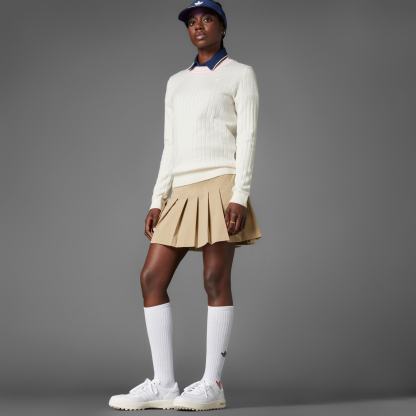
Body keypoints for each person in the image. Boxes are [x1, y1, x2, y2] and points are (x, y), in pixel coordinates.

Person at [108, 0, 262, 411]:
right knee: (151, 277)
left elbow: (248, 137)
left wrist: (239, 195)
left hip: (221, 184)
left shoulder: (241, 74)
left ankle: (212, 383)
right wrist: (157, 199)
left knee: (214, 279)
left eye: (207, 19)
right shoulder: (176, 82)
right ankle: (163, 384)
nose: (198, 26)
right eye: (192, 22)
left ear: (222, 27)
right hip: (181, 190)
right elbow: (171, 144)